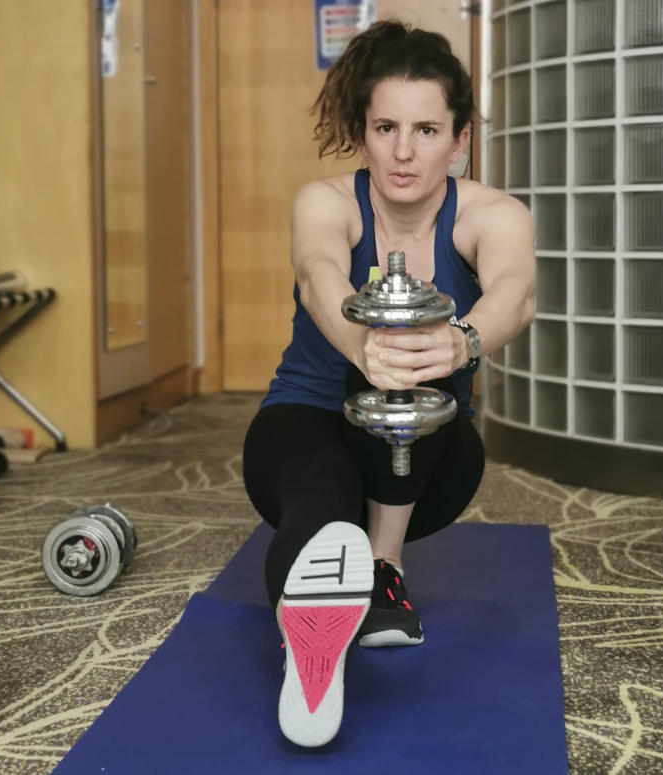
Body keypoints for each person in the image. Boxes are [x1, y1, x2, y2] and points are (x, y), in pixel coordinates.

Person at [242, 20, 536, 746]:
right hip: (303, 422)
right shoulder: (327, 202)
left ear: (460, 139)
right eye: (386, 127)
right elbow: (318, 276)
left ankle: (384, 566)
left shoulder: (492, 214)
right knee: (320, 505)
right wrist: (360, 344)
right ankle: (312, 635)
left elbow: (515, 294)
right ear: (363, 131)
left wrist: (457, 342)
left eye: (427, 129)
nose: (404, 151)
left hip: (428, 458)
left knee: (408, 368)